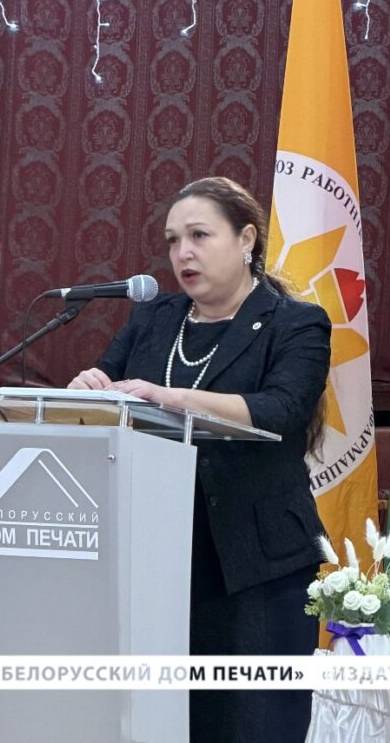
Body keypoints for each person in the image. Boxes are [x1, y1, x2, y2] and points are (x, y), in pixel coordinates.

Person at [68, 176, 330, 742]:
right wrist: (85, 388)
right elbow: (108, 386)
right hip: (158, 556)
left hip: (257, 562)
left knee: (257, 723)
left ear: (246, 239)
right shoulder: (154, 320)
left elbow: (281, 409)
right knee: (172, 720)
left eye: (199, 236)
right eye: (172, 240)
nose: (182, 253)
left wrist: (173, 398)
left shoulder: (295, 323)